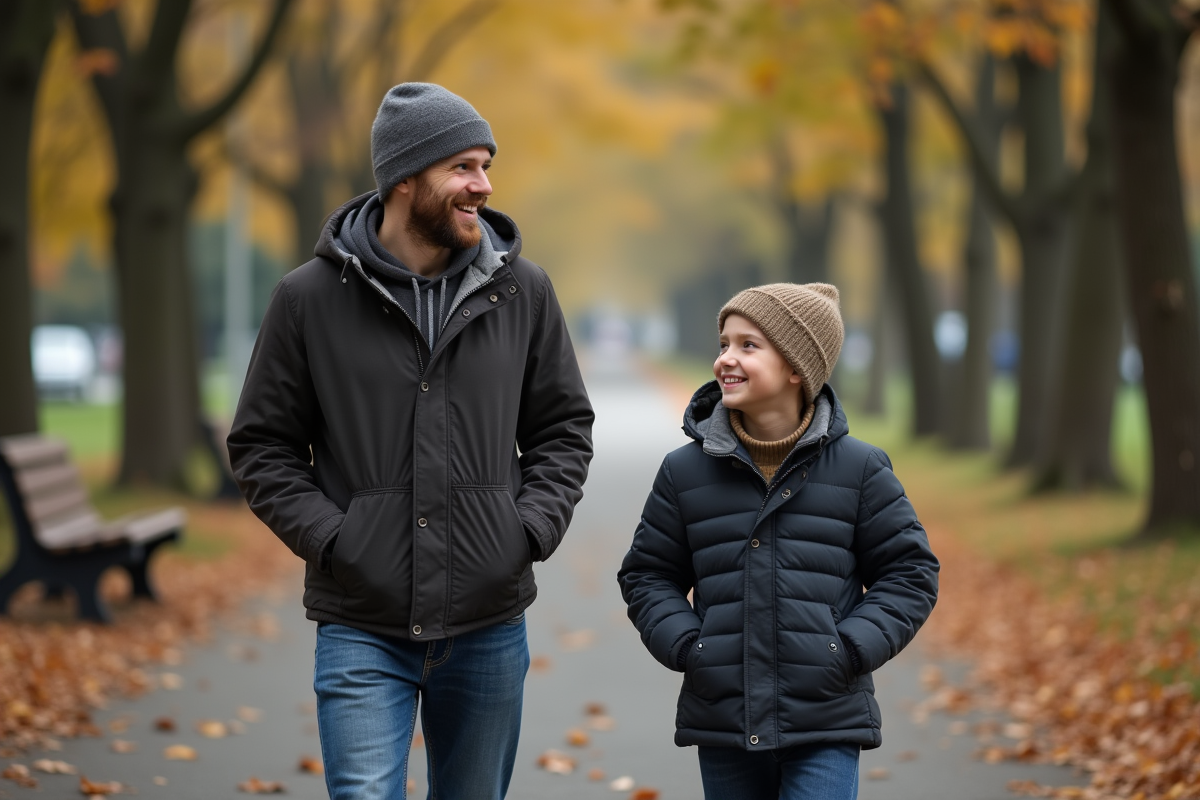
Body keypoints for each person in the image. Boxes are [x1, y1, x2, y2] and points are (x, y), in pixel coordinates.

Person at [227, 83, 594, 800]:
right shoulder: (307, 299)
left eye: (486, 166)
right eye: (463, 167)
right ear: (404, 178)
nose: (483, 186)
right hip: (360, 620)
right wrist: (335, 540)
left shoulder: (523, 291)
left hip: (489, 620)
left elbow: (562, 428)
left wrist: (526, 529)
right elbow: (262, 446)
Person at [617, 283, 939, 800]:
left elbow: (910, 573)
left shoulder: (860, 469)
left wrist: (848, 648)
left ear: (796, 368)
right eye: (724, 343)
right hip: (724, 717)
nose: (726, 358)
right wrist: (690, 647)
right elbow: (647, 573)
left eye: (748, 345)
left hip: (827, 715)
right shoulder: (684, 472)